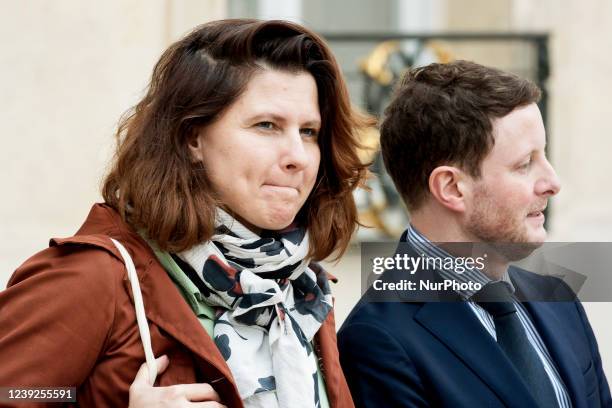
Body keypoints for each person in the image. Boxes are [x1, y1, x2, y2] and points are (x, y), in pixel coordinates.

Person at [0, 19, 371, 408]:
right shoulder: (95, 277)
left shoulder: (301, 293)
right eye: (267, 125)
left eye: (309, 131)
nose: (297, 156)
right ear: (192, 137)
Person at [337, 60, 611, 407]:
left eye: (545, 156)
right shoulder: (378, 342)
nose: (552, 183)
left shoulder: (558, 300)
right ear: (451, 188)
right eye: (524, 164)